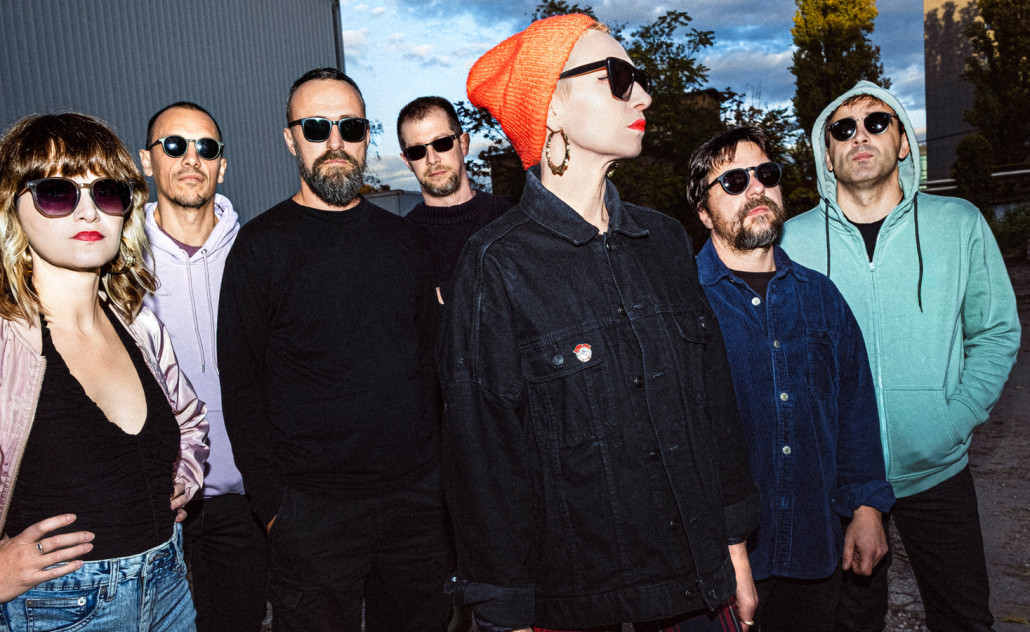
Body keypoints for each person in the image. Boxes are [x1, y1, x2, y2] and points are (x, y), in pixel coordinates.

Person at [440, 14, 760, 632]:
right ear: (552, 106)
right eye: (616, 77)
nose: (643, 97)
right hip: (579, 604)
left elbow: (713, 408)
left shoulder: (664, 240)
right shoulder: (495, 263)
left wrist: (735, 550)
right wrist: (506, 613)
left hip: (696, 586)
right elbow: (484, 463)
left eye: (640, 80)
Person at [780, 81, 1020, 632]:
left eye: (876, 122)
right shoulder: (791, 242)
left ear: (904, 141)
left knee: (963, 617)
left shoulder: (958, 223)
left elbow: (995, 331)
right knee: (850, 622)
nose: (860, 136)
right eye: (842, 129)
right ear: (826, 154)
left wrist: (953, 419)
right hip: (838, 481)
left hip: (937, 471)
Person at [217, 68, 452, 632]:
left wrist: (438, 485)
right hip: (311, 515)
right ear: (290, 138)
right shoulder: (259, 248)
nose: (336, 143)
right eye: (317, 128)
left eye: (351, 127)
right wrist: (273, 509)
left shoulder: (404, 241)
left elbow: (433, 368)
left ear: (367, 136)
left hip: (415, 509)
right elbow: (241, 385)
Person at [0, 112, 208, 630]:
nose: (88, 210)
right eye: (56, 193)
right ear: (12, 208)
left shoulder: (139, 323)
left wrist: (183, 479)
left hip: (170, 585)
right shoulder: (6, 341)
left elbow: (190, 422)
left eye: (107, 192)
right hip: (57, 607)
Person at [685, 126, 895, 632]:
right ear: (704, 212)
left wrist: (867, 507)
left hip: (812, 551)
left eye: (766, 174)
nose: (756, 188)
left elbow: (855, 410)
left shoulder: (822, 297)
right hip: (713, 565)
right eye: (734, 181)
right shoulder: (681, 302)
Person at [139, 101, 267, 632]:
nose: (191, 158)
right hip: (151, 498)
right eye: (174, 145)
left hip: (241, 497)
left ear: (223, 165)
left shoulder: (256, 251)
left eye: (206, 148)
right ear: (147, 161)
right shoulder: (118, 258)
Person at [396, 96, 514, 302]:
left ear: (463, 144)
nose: (432, 159)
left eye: (442, 143)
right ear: (407, 161)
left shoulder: (513, 216)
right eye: (417, 151)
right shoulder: (401, 242)